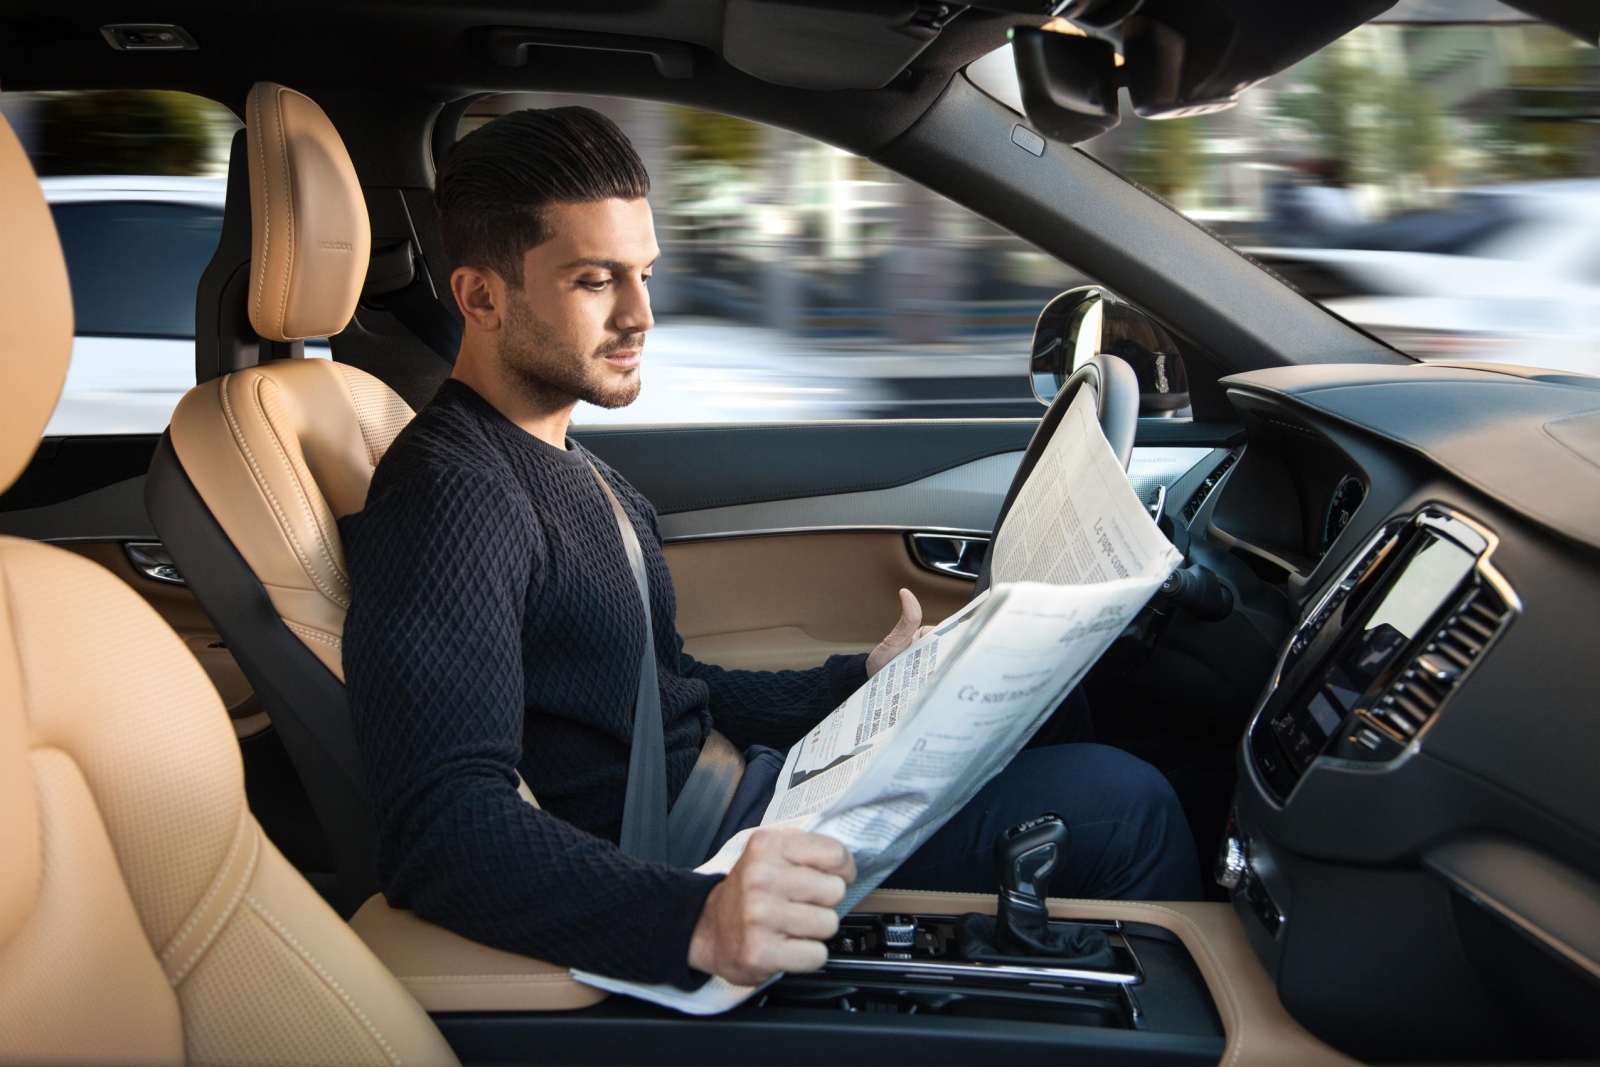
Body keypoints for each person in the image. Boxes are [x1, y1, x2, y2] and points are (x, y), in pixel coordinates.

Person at [340, 106, 1199, 993]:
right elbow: (439, 822)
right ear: (481, 296)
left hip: (742, 794)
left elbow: (665, 690)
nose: (641, 314)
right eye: (597, 280)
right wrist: (695, 918)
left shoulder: (567, 460)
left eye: (644, 273)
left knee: (1057, 709)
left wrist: (856, 686)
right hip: (689, 853)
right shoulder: (451, 493)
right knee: (1128, 807)